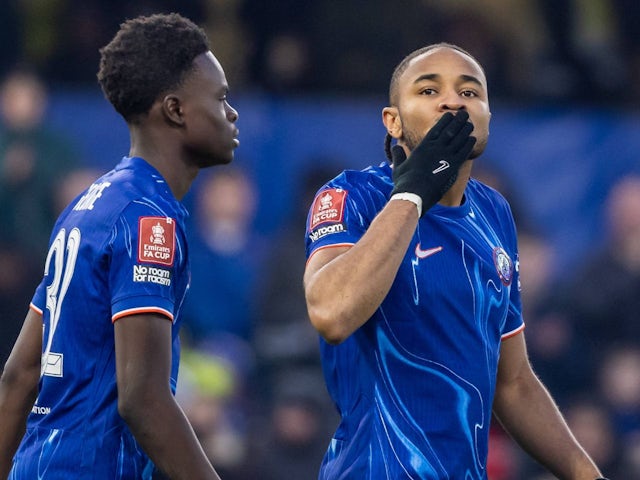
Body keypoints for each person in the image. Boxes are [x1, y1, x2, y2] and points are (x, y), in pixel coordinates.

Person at [303, 43, 607, 479]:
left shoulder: (495, 213)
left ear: (487, 116)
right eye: (428, 91)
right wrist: (413, 192)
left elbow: (514, 382)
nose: (451, 100)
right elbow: (331, 313)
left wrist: (586, 474)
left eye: (470, 92)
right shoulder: (352, 196)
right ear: (393, 121)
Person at [0, 12, 239, 480]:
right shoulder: (149, 217)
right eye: (222, 97)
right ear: (175, 109)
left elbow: (19, 376)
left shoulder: (88, 205)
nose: (231, 113)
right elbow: (143, 399)